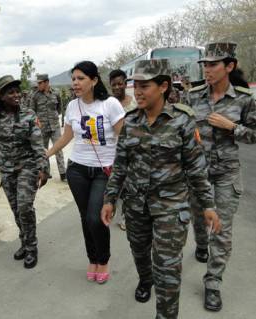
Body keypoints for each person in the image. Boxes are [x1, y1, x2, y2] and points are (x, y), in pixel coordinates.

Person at [100, 59, 221, 319]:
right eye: (136, 86)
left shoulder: (183, 121)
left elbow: (197, 169)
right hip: (135, 205)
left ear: (163, 86)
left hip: (171, 205)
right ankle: (146, 280)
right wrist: (109, 199)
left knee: (167, 266)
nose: (138, 92)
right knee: (140, 251)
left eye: (145, 86)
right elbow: (120, 166)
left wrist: (208, 205)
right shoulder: (130, 122)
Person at [185, 42, 256, 312]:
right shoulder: (193, 96)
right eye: (204, 64)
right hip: (198, 173)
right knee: (198, 217)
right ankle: (201, 245)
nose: (207, 69)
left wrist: (233, 127)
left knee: (221, 230)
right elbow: (182, 130)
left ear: (229, 66)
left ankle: (213, 282)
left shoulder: (243, 99)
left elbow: (254, 134)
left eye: (213, 64)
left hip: (227, 172)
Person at [47, 61, 125, 284]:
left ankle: (104, 259)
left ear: (94, 80)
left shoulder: (110, 105)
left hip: (104, 170)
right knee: (85, 217)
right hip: (77, 169)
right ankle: (92, 258)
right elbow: (67, 136)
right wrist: (48, 153)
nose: (75, 83)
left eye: (81, 78)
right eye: (73, 79)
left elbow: (125, 138)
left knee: (95, 217)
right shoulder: (72, 106)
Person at [0, 75, 49, 269]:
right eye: (10, 92)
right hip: (6, 171)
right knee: (16, 210)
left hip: (27, 167)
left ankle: (32, 248)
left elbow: (38, 144)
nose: (16, 95)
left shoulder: (29, 115)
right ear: (1, 96)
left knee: (24, 206)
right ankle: (24, 240)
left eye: (17, 91)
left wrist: (43, 168)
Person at [109, 69, 137, 231]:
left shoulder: (134, 102)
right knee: (116, 185)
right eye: (114, 85)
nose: (117, 87)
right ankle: (115, 211)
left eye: (120, 84)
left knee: (129, 185)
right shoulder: (108, 104)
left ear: (126, 84)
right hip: (113, 152)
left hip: (132, 150)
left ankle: (127, 216)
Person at [29, 74, 66, 181]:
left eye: (40, 83)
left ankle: (63, 173)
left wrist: (53, 117)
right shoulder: (35, 96)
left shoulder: (56, 93)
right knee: (43, 150)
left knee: (58, 149)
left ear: (46, 82)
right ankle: (46, 172)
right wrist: (36, 122)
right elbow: (32, 112)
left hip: (55, 126)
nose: (38, 85)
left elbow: (59, 108)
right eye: (38, 83)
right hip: (42, 128)